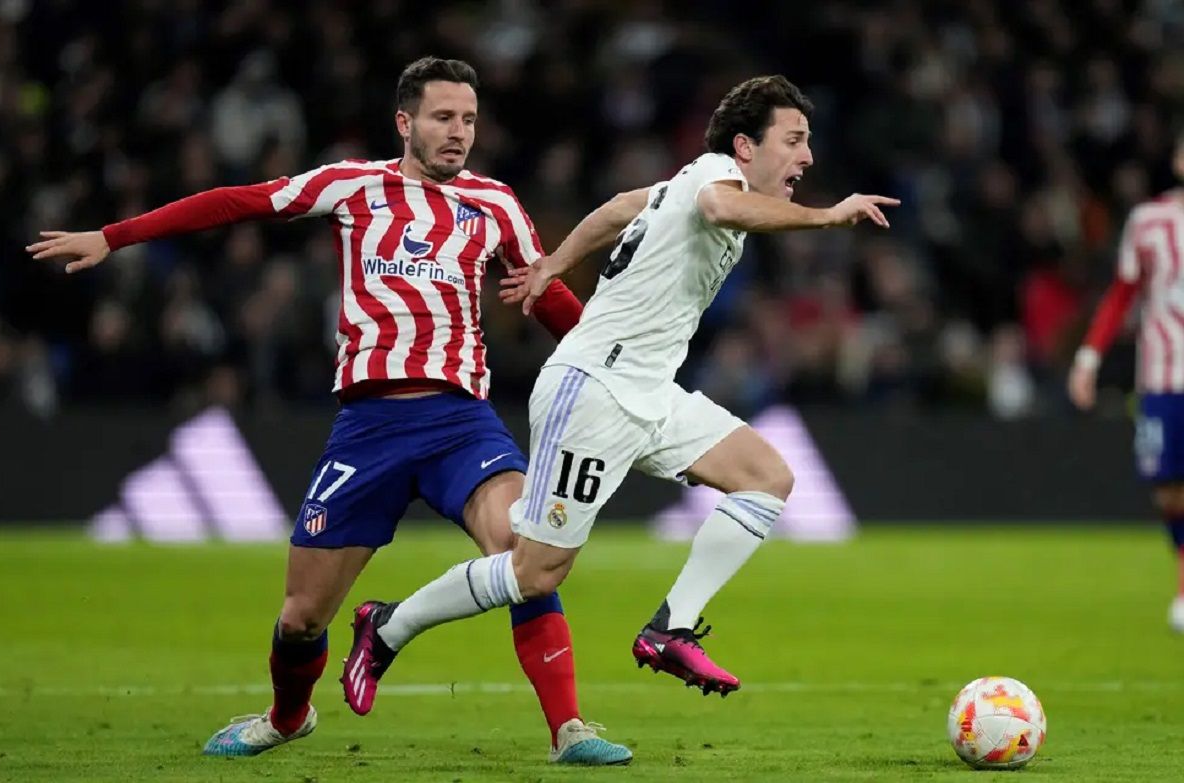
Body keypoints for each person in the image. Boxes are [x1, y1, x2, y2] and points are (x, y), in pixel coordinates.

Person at [26, 56, 631, 766]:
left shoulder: (494, 204)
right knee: (301, 616)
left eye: (469, 119)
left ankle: (568, 728)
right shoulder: (352, 185)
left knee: (522, 553)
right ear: (405, 122)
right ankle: (287, 716)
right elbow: (237, 202)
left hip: (460, 423)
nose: (459, 132)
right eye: (443, 117)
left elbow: (546, 295)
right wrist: (115, 236)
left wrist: (621, 368)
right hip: (369, 430)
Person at [337, 75, 898, 712]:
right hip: (595, 391)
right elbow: (720, 209)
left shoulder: (684, 184)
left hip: (649, 390)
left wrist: (552, 264)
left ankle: (670, 628)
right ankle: (388, 626)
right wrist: (827, 216)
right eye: (793, 140)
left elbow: (618, 208)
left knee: (766, 477)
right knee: (534, 572)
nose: (807, 157)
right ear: (745, 147)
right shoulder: (715, 177)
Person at [1068, 131, 1184, 633]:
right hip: (1162, 375)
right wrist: (1088, 359)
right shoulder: (1149, 221)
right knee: (1168, 492)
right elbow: (1122, 294)